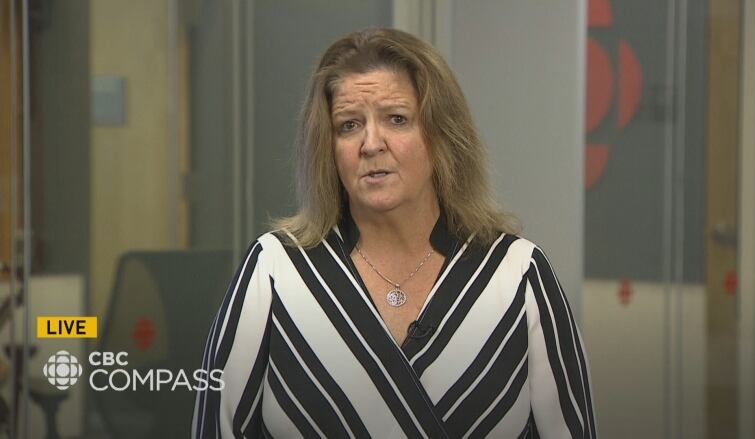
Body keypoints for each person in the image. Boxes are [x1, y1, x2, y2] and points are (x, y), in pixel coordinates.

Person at [193, 27, 596, 439]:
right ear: (328, 149)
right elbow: (215, 426)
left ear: (442, 137)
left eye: (397, 119)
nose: (370, 143)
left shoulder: (519, 274)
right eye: (348, 125)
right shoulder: (275, 270)